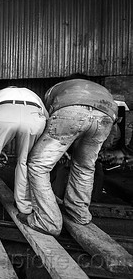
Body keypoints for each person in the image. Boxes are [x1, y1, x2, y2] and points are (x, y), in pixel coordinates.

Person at [18, 78, 118, 236]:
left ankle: (48, 220)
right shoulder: (98, 89)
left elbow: (48, 121)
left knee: (39, 165)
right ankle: (79, 213)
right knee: (84, 166)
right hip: (106, 116)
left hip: (70, 113)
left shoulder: (54, 90)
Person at [0, 87, 48, 214]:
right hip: (34, 116)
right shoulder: (32, 94)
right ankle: (24, 206)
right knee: (25, 161)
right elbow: (46, 115)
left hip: (4, 112)